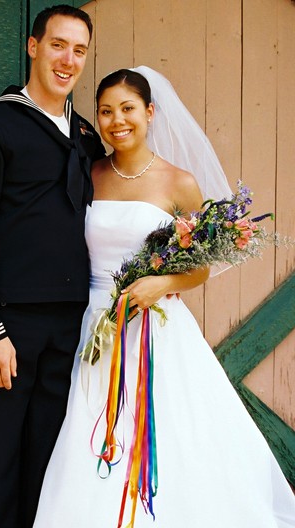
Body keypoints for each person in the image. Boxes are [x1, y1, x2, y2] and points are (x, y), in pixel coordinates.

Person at [33, 67, 295, 527]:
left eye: (128, 109)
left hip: (156, 327)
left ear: (150, 112)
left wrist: (162, 283)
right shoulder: (88, 175)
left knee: (170, 436)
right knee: (91, 432)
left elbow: (200, 268)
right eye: (107, 111)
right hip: (95, 327)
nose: (118, 121)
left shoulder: (179, 183)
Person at [0, 4, 105, 528]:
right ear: (33, 47)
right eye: (58, 44)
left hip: (72, 328)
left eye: (79, 50)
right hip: (10, 325)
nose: (68, 59)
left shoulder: (84, 136)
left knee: (53, 468)